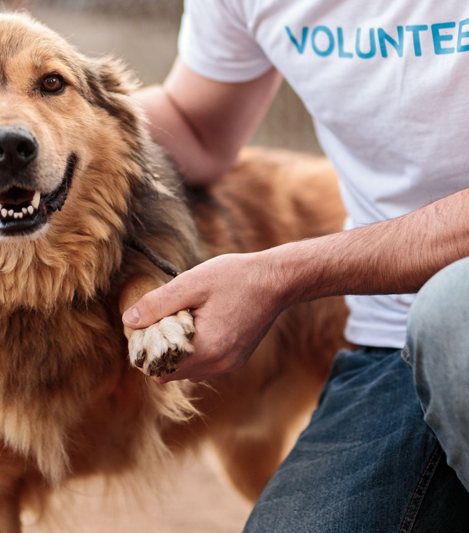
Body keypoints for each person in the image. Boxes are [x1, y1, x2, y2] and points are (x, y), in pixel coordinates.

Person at [122, 1, 469, 530]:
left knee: (453, 313)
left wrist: (280, 275)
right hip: (388, 342)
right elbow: (197, 127)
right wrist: (62, 115)